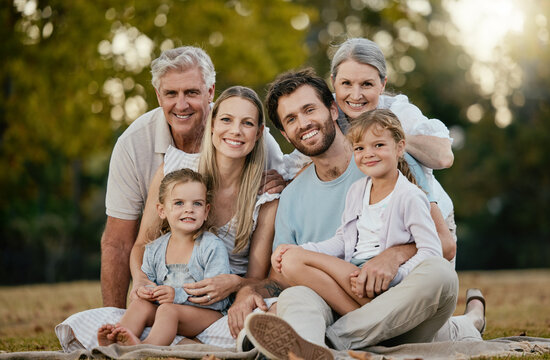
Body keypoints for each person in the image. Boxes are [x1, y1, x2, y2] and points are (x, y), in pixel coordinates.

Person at [234, 68, 482, 359]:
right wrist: (249, 292)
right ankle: (309, 349)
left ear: (332, 108)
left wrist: (394, 255)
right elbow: (281, 275)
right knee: (296, 296)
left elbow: (444, 245)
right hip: (335, 305)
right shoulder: (291, 196)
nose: (303, 123)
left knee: (441, 275)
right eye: (291, 119)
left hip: (398, 303)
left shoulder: (387, 160)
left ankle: (328, 345)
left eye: (309, 109)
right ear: (285, 134)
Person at [100, 46, 287, 309]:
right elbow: (120, 241)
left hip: (226, 298)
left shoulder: (255, 141)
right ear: (158, 95)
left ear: (210, 92)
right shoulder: (141, 148)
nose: (181, 104)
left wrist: (285, 184)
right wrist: (126, 300)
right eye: (171, 94)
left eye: (191, 92)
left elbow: (288, 182)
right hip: (168, 290)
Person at [270, 109, 443, 316]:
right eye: (360, 148)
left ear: (400, 147)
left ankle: (351, 326)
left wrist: (397, 275)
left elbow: (431, 251)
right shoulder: (358, 190)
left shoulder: (410, 196)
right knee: (292, 259)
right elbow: (343, 240)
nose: (369, 154)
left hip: (384, 282)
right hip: (355, 273)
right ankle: (363, 320)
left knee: (293, 261)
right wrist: (306, 249)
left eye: (378, 145)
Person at [330, 37, 457, 263]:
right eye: (346, 83)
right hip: (370, 222)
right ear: (333, 82)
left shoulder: (398, 111)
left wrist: (386, 135)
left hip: (426, 218)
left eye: (367, 84)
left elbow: (444, 157)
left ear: (383, 84)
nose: (356, 95)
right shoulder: (329, 112)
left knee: (428, 291)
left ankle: (474, 300)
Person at [97, 169, 231, 346]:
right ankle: (118, 339)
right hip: (166, 312)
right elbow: (147, 281)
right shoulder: (154, 249)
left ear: (206, 211)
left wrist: (176, 295)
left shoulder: (211, 247)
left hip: (206, 314)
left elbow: (217, 298)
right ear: (161, 210)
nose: (189, 209)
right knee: (140, 306)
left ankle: (146, 347)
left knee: (168, 310)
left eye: (197, 204)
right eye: (179, 203)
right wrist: (144, 292)